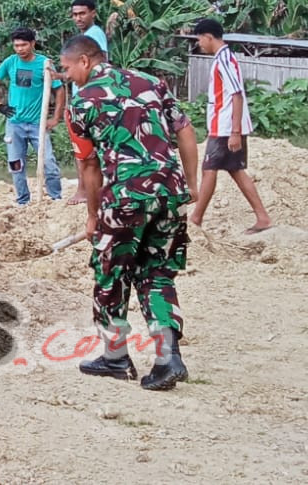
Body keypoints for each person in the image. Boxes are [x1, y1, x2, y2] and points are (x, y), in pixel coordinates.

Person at [60, 36, 197, 391]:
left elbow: (89, 166)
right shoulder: (151, 83)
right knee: (157, 274)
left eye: (67, 67)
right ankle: (169, 359)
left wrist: (93, 217)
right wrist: (190, 184)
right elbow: (185, 130)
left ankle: (115, 356)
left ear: (86, 62)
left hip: (124, 197)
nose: (66, 75)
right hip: (168, 194)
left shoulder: (81, 103)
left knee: (110, 275)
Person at [188, 19, 273, 234]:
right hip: (226, 125)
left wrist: (234, 131)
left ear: (208, 37)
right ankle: (262, 216)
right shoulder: (225, 58)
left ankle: (196, 219)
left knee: (209, 169)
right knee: (235, 170)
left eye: (200, 39)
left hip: (225, 126)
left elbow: (236, 95)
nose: (200, 44)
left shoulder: (224, 60)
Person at [0, 27, 65, 205]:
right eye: (16, 45)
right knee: (16, 164)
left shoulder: (45, 63)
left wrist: (55, 117)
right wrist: (0, 105)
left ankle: (56, 198)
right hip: (15, 124)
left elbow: (59, 90)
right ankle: (23, 200)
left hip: (39, 123)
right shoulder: (10, 62)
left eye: (23, 45)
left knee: (49, 163)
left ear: (32, 44)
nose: (20, 49)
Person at [64, 0, 109, 206]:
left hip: (88, 98)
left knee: (84, 146)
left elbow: (100, 62)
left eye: (82, 13)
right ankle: (84, 188)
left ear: (93, 13)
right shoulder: (85, 36)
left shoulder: (95, 35)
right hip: (83, 94)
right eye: (74, 14)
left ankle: (84, 190)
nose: (78, 18)